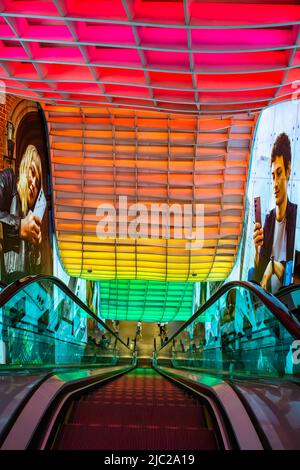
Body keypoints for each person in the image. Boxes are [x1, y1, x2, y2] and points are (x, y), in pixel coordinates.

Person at [253, 133, 297, 293]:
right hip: (268, 296)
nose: (275, 183)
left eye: (279, 173)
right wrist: (257, 251)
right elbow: (257, 273)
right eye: (273, 176)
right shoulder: (269, 219)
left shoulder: (293, 216)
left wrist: (272, 265)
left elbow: (291, 273)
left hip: (284, 298)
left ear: (288, 171)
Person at [0, 144, 43, 283]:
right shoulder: (8, 179)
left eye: (38, 184)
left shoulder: (31, 217)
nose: (33, 183)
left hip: (17, 298)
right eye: (32, 172)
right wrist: (19, 227)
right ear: (24, 167)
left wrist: (36, 252)